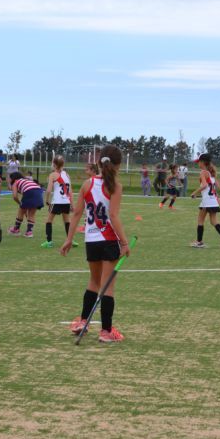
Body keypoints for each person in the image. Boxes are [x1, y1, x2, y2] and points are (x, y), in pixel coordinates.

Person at [61, 145, 130, 344]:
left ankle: (83, 321)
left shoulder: (87, 184)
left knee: (94, 281)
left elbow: (76, 214)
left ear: (99, 162)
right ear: (117, 165)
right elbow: (114, 215)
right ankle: (106, 331)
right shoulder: (115, 185)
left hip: (91, 241)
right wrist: (124, 243)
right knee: (108, 287)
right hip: (108, 240)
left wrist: (68, 239)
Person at [188, 153, 220, 249]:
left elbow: (204, 186)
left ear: (202, 162)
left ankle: (199, 242)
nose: (197, 164)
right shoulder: (211, 174)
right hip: (213, 201)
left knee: (200, 220)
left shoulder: (203, 172)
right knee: (214, 221)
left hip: (206, 201)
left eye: (198, 162)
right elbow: (217, 187)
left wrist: (194, 193)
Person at [42, 155, 78, 248]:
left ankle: (49, 242)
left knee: (48, 221)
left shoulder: (52, 175)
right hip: (66, 201)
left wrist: (47, 200)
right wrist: (72, 204)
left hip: (57, 201)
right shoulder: (66, 174)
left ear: (54, 164)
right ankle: (70, 240)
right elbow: (70, 191)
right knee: (67, 221)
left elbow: (49, 190)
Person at [9, 172, 45, 238]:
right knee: (31, 214)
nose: (9, 180)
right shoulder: (26, 180)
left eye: (10, 178)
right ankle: (29, 232)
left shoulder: (15, 182)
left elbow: (15, 196)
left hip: (29, 192)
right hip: (39, 191)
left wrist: (20, 203)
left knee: (21, 211)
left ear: (13, 178)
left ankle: (16, 229)